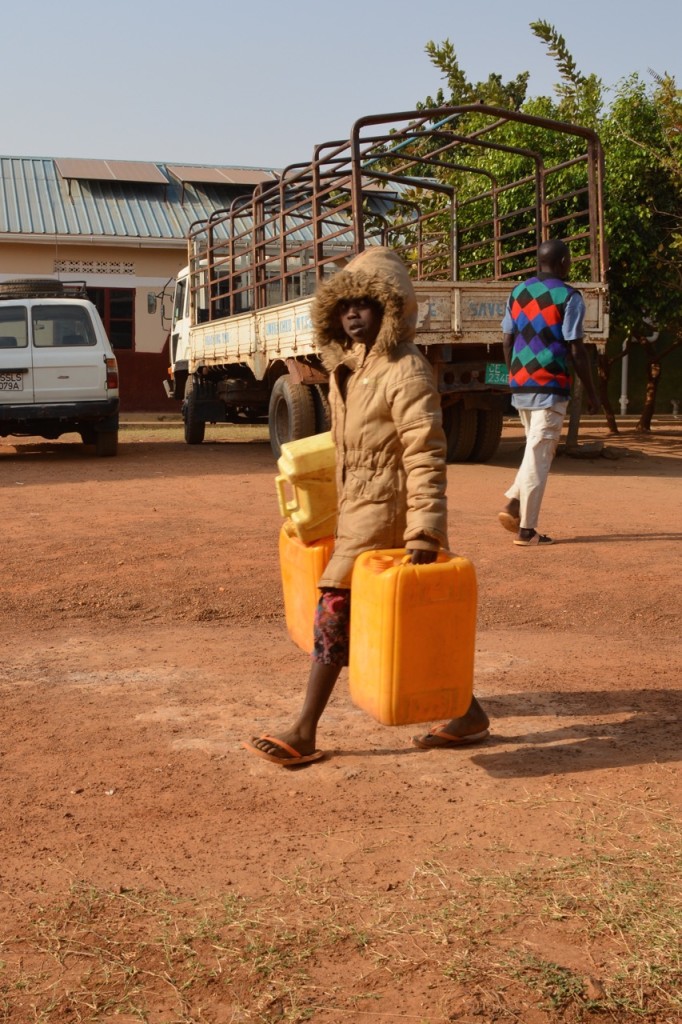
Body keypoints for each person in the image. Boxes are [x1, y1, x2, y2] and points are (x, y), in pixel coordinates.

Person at [244, 246, 489, 765]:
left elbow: (425, 451)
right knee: (399, 619)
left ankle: (304, 731)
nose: (353, 314)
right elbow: (346, 454)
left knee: (335, 610)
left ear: (391, 310)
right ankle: (468, 712)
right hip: (360, 513)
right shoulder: (348, 370)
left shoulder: (406, 371)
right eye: (345, 305)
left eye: (366, 304)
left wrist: (425, 529)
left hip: (392, 517)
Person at [498, 239, 600, 546]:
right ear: (564, 262)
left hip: (521, 384)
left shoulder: (518, 292)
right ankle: (526, 530)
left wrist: (513, 375)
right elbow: (577, 349)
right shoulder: (570, 297)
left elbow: (506, 339)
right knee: (540, 456)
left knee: (534, 450)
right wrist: (593, 393)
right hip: (550, 385)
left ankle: (515, 501)